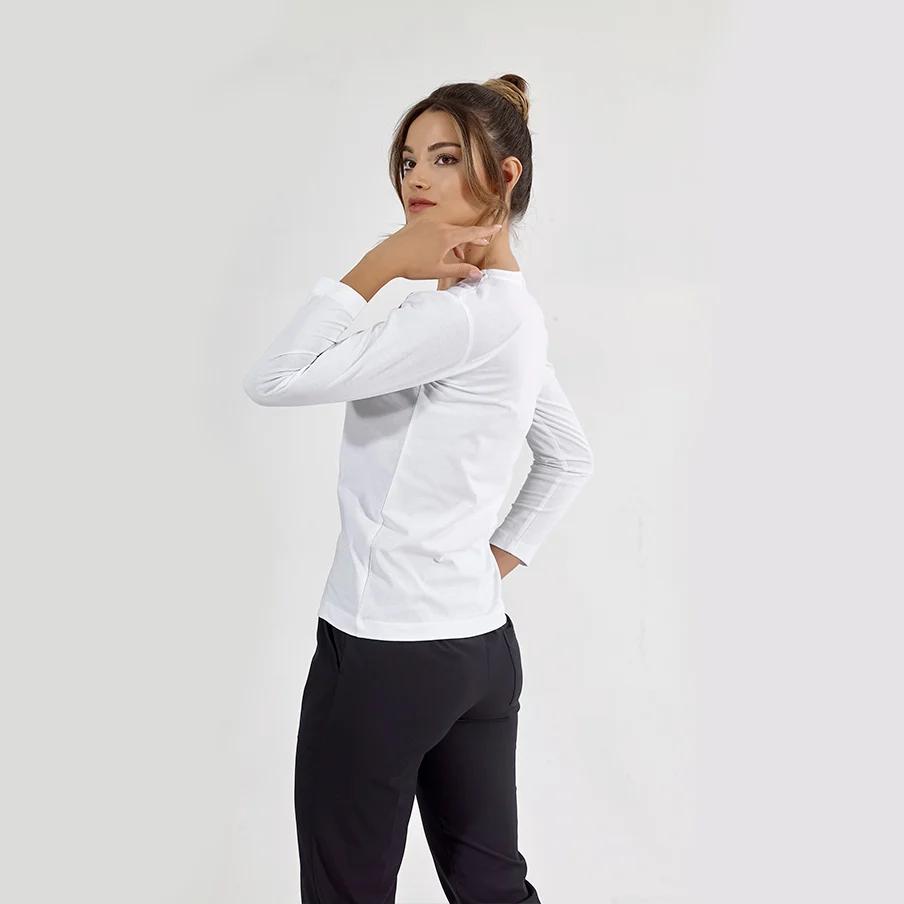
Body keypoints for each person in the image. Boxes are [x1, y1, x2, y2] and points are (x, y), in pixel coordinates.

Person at [243, 74, 594, 904]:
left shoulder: (452, 319)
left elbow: (274, 379)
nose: (416, 180)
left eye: (444, 158)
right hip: (479, 649)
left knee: (346, 889)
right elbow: (569, 457)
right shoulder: (515, 314)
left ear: (505, 175)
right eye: (408, 160)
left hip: (384, 655)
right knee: (491, 885)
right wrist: (482, 566)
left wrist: (378, 265)